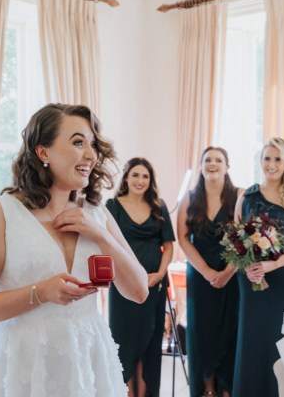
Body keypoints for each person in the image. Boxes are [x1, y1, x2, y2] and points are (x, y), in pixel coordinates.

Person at [0, 103, 149, 397]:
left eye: (93, 145)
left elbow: (138, 291)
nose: (90, 155)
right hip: (23, 363)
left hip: (87, 359)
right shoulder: (2, 214)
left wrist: (102, 236)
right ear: (42, 152)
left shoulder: (97, 214)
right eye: (77, 142)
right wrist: (41, 293)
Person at [233, 137, 284, 397]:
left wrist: (273, 263)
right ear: (261, 161)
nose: (272, 164)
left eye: (278, 158)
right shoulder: (246, 195)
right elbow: (235, 240)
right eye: (267, 158)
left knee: (281, 340)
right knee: (252, 341)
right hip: (253, 280)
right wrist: (246, 266)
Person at [177, 146, 243, 397]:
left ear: (227, 166)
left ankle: (227, 388)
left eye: (218, 160)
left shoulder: (240, 196)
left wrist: (227, 272)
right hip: (200, 274)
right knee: (202, 332)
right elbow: (183, 238)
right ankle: (206, 387)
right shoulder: (190, 198)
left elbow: (245, 239)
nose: (212, 164)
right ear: (202, 165)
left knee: (229, 329)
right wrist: (206, 272)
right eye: (207, 160)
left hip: (232, 273)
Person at [106, 157, 175, 397]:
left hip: (154, 285)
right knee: (124, 340)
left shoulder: (159, 206)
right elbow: (106, 244)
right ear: (126, 177)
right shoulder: (112, 206)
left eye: (145, 176)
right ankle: (125, 391)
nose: (140, 180)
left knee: (149, 340)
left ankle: (146, 392)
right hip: (123, 285)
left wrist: (160, 273)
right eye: (135, 175)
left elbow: (168, 244)